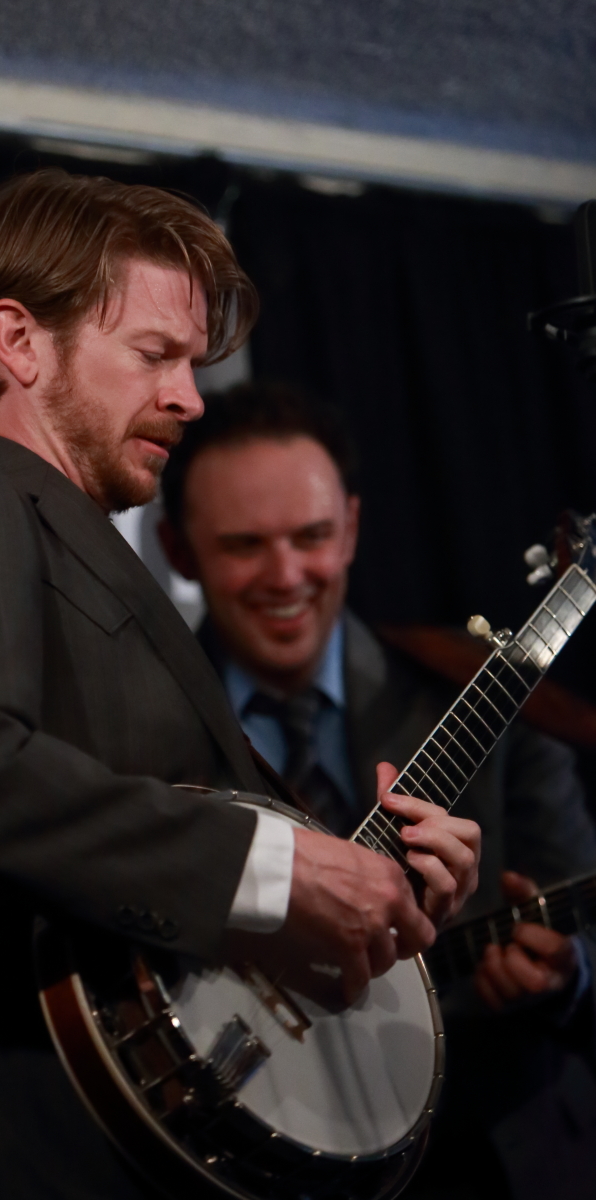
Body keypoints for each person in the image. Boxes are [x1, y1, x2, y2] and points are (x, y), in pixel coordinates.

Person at [0, 169, 480, 1200]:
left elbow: (176, 849)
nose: (189, 396)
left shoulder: (88, 553)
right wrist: (283, 870)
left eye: (192, 362)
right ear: (19, 341)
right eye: (153, 355)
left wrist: (373, 885)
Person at [157, 380, 596, 1200]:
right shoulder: (144, 728)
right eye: (245, 545)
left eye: (313, 536)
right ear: (179, 551)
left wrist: (567, 977)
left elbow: (586, 926)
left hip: (490, 1152)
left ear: (352, 528)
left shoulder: (482, 698)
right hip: (241, 1161)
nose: (286, 575)